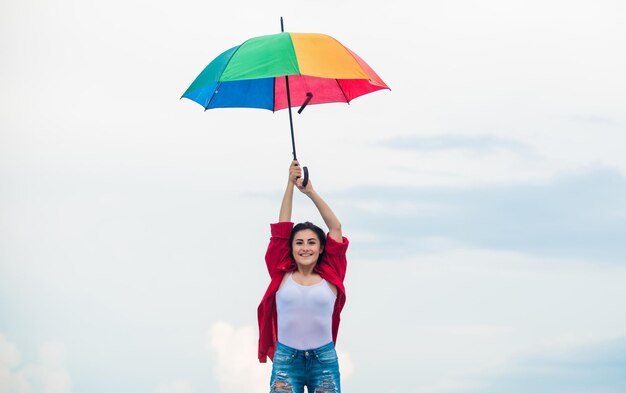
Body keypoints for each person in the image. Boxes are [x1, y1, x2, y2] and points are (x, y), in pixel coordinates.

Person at [257, 160, 349, 393]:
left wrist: (309, 192)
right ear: (291, 248)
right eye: (299, 243)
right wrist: (289, 184)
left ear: (321, 248)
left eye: (311, 243)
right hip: (287, 361)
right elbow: (281, 229)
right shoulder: (282, 274)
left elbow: (335, 228)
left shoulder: (331, 275)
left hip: (324, 361)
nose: (305, 248)